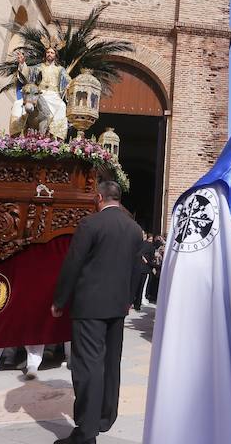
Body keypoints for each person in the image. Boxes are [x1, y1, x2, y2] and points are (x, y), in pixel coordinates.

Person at [51, 180, 143, 444]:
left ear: (99, 197)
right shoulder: (135, 229)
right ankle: (105, 417)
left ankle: (86, 432)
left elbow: (73, 264)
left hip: (90, 305)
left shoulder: (90, 225)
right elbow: (137, 269)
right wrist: (129, 299)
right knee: (110, 362)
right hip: (118, 306)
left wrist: (60, 299)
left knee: (87, 365)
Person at [11, 44, 70, 139]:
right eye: (48, 52)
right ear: (45, 54)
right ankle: (16, 131)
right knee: (18, 104)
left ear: (55, 55)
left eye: (52, 52)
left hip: (53, 94)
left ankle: (57, 135)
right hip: (37, 93)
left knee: (62, 106)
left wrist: (69, 85)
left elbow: (68, 80)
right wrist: (22, 64)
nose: (49, 54)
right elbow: (26, 74)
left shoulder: (60, 69)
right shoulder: (38, 67)